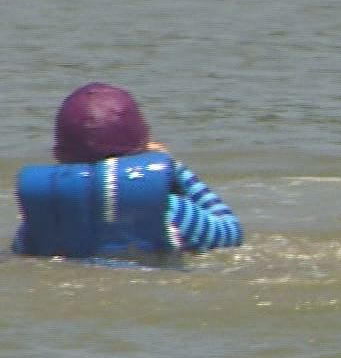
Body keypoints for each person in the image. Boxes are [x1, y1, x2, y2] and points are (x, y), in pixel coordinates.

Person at [13, 82, 243, 266]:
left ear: (59, 156)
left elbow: (21, 252)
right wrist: (174, 168)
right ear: (143, 150)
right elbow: (230, 234)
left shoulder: (47, 214)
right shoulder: (168, 209)